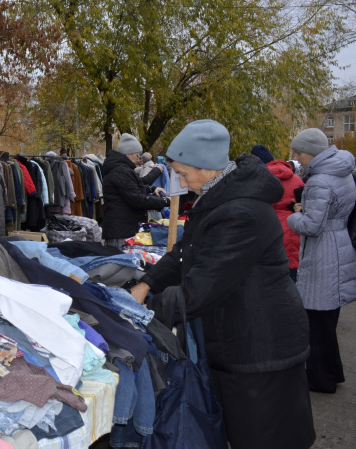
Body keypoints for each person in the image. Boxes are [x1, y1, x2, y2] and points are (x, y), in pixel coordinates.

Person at [130, 119, 315, 449]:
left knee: (264, 436)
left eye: (184, 173)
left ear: (207, 166)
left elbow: (198, 292)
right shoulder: (218, 197)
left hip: (260, 348)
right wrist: (146, 283)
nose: (181, 182)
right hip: (240, 336)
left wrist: (141, 310)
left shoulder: (239, 212)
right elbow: (185, 252)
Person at [286, 127, 356, 394]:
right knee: (327, 321)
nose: (298, 158)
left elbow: (312, 226)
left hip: (322, 251)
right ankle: (332, 372)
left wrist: (294, 216)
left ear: (311, 153)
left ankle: (320, 379)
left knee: (316, 322)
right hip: (339, 244)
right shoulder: (342, 171)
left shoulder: (318, 180)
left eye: (299, 153)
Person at [100, 133, 169, 247]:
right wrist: (166, 202)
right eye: (138, 155)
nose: (139, 159)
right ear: (129, 153)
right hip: (121, 232)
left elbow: (133, 187)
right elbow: (137, 199)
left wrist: (152, 188)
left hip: (121, 228)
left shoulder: (121, 169)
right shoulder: (121, 171)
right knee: (122, 262)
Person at [250, 144, 304, 282]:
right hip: (295, 229)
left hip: (270, 231)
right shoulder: (297, 179)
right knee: (294, 276)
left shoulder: (257, 181)